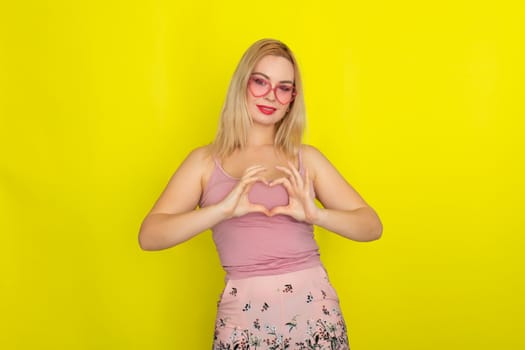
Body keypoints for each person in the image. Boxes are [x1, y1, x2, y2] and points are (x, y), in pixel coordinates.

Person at [138, 38, 382, 349]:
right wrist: (221, 210)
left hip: (315, 314)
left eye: (283, 87)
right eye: (260, 82)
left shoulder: (306, 158)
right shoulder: (204, 161)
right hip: (243, 318)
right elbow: (150, 236)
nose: (271, 95)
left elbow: (371, 226)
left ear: (292, 98)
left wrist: (316, 214)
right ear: (242, 84)